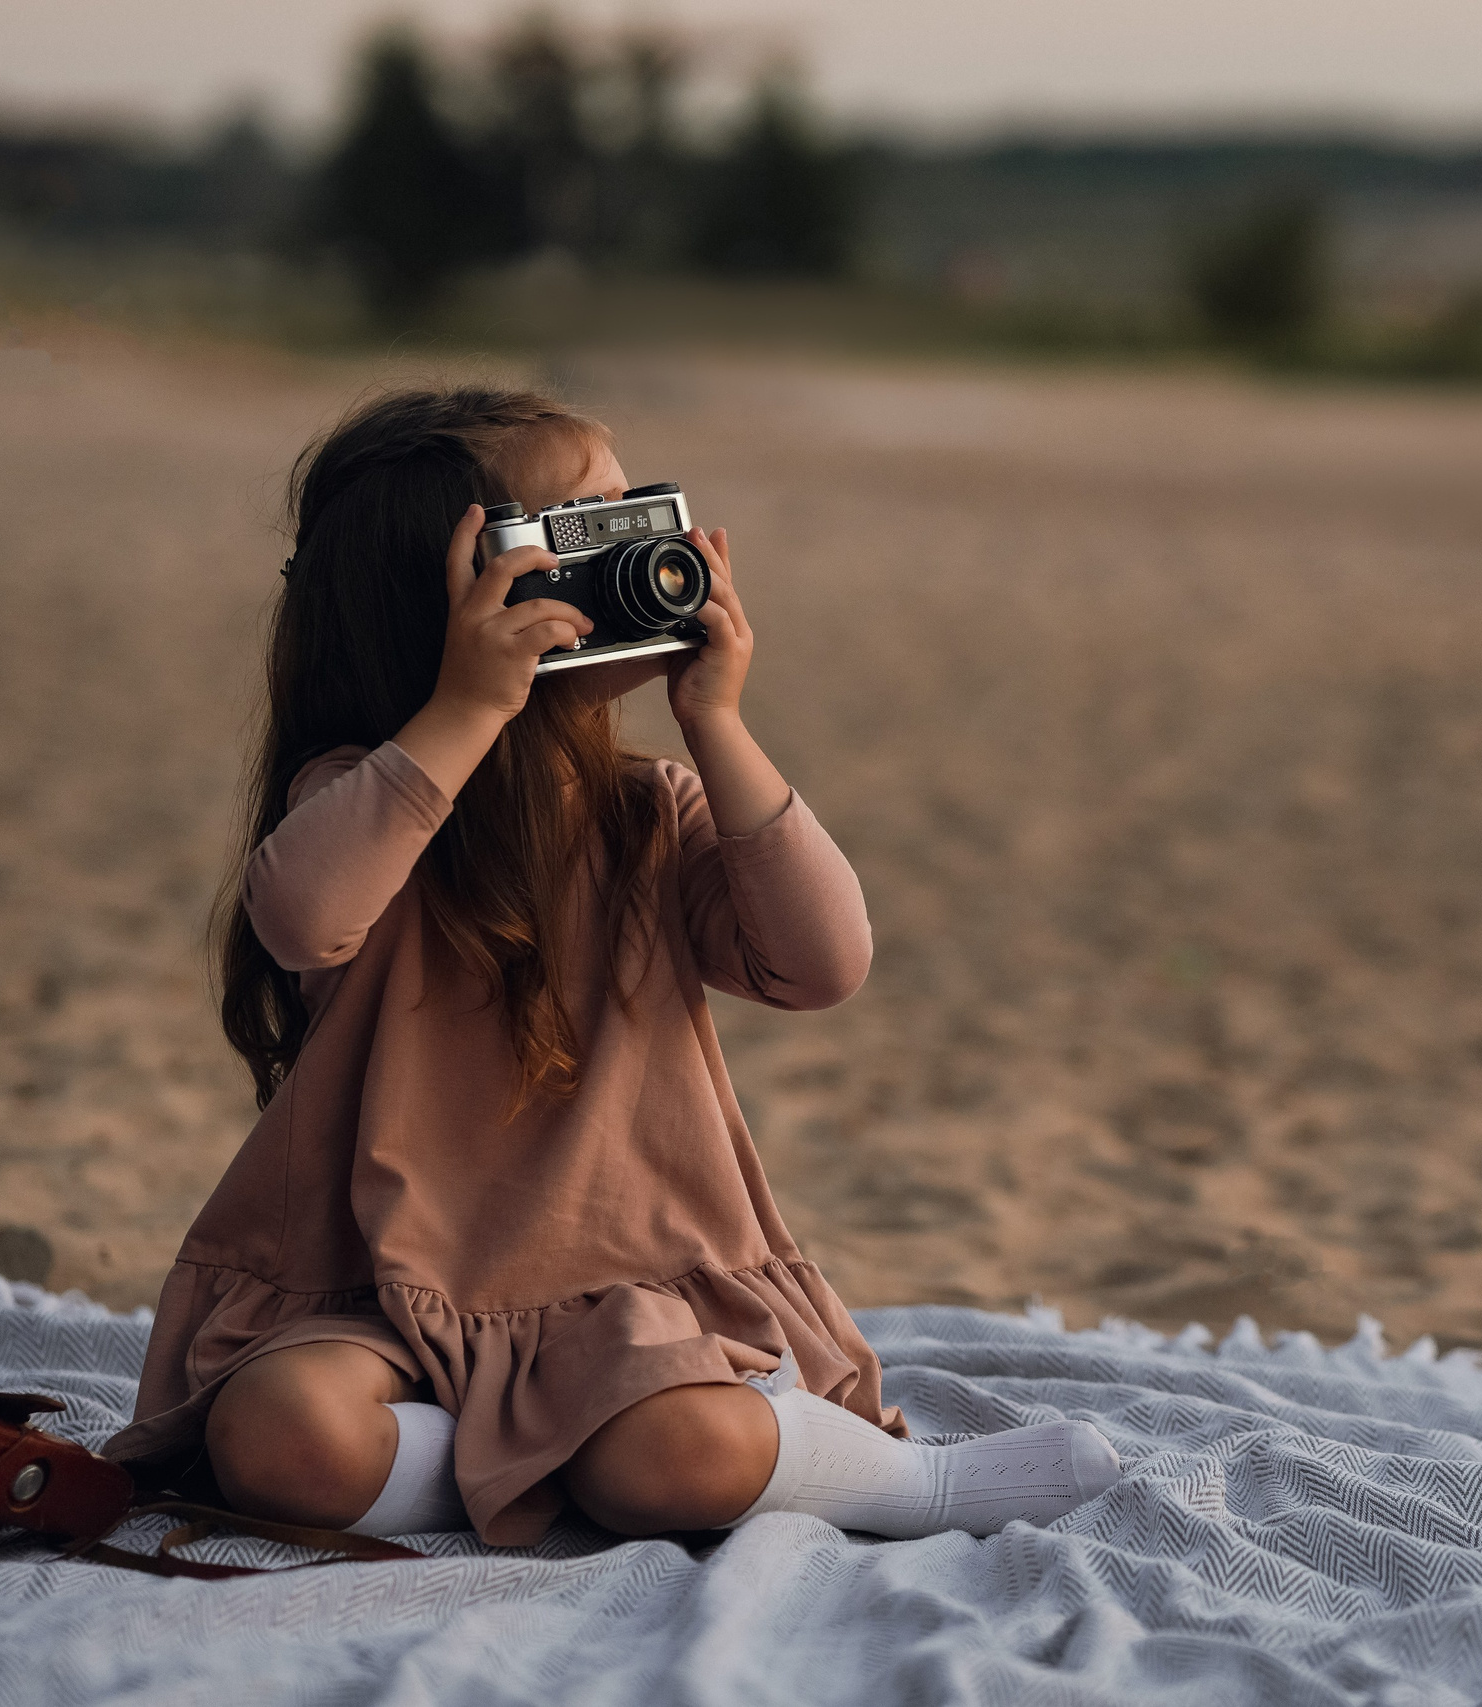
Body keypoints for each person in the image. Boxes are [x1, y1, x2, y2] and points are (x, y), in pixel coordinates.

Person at [104, 386, 1121, 1544]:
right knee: (278, 1437)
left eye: (635, 513)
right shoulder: (366, 795)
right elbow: (302, 918)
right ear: (442, 600)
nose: (643, 550)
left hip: (620, 1293)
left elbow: (822, 963)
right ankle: (534, 1466)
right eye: (586, 533)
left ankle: (912, 1486)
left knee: (681, 1454)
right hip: (382, 1286)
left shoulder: (652, 810)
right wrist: (466, 709)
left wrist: (718, 723)